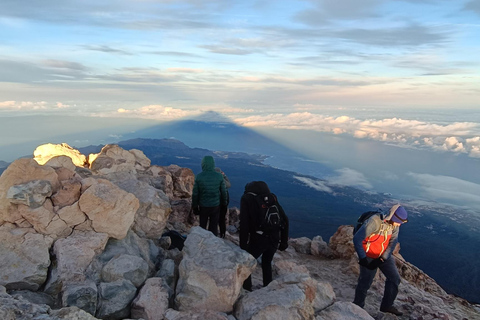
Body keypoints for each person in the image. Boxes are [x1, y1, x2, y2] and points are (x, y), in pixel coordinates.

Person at [352, 204, 408, 316]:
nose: (399, 225)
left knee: (394, 278)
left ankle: (387, 306)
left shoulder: (394, 226)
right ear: (393, 217)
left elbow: (392, 242)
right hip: (368, 255)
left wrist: (382, 258)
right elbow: (357, 239)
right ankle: (358, 307)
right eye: (398, 222)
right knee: (365, 282)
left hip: (382, 255)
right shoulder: (375, 221)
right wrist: (363, 259)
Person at [240, 181, 289, 291]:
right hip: (274, 238)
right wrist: (284, 241)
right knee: (267, 262)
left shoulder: (247, 199)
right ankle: (268, 288)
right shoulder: (271, 199)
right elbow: (285, 219)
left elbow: (244, 224)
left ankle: (247, 290)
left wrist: (242, 246)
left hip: (259, 238)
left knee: (246, 263)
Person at [191, 156, 228, 236]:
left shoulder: (199, 177)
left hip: (203, 205)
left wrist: (194, 206)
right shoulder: (219, 176)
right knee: (213, 226)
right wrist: (224, 203)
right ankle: (213, 243)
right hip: (215, 205)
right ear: (213, 164)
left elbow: (195, 194)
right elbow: (223, 192)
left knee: (202, 226)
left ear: (203, 164)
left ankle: (202, 242)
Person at [215, 167, 231, 238]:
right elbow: (229, 185)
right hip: (223, 202)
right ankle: (222, 234)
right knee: (222, 218)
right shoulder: (222, 180)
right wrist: (224, 175)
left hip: (215, 202)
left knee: (215, 218)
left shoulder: (213, 179)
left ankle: (213, 232)